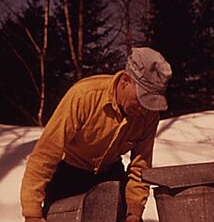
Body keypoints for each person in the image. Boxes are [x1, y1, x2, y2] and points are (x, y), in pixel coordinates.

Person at [20, 47, 172, 222]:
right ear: (125, 81)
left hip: (110, 173)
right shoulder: (83, 96)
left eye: (151, 102)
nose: (144, 109)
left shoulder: (149, 115)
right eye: (142, 99)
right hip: (69, 172)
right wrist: (32, 213)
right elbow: (45, 155)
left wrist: (134, 213)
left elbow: (140, 166)